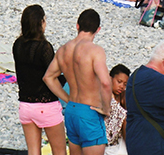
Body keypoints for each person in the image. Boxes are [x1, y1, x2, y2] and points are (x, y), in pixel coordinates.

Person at [43, 9, 112, 155]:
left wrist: (67, 99)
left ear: (77, 26)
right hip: (89, 111)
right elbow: (106, 83)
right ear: (98, 30)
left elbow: (48, 77)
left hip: (72, 110)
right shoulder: (95, 51)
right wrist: (106, 109)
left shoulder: (63, 50)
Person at [13, 5, 66, 155]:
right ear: (41, 22)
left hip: (25, 105)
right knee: (59, 151)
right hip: (46, 104)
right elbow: (51, 75)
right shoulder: (44, 47)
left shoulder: (17, 45)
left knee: (33, 151)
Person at [105, 64, 130, 155]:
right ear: (110, 78)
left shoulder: (122, 97)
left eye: (125, 84)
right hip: (106, 141)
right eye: (119, 82)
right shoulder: (105, 95)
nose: (122, 86)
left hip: (117, 142)